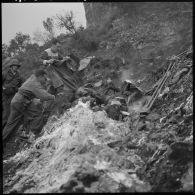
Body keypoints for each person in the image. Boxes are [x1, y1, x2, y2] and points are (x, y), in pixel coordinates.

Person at [3, 69, 56, 144]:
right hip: (21, 101)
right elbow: (44, 96)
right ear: (40, 76)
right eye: (45, 78)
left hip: (16, 100)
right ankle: (33, 135)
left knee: (10, 124)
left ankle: (22, 134)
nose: (45, 81)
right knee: (36, 115)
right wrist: (53, 97)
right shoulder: (35, 83)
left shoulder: (32, 78)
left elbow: (33, 93)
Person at [40, 38, 80, 117]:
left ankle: (60, 108)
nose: (58, 48)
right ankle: (44, 112)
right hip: (49, 77)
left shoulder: (57, 53)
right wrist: (46, 61)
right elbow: (39, 60)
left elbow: (62, 60)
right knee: (50, 94)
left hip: (57, 78)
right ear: (53, 45)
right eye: (57, 46)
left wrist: (66, 59)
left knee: (59, 91)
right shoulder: (46, 52)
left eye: (59, 47)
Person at [2, 59, 23, 128]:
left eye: (17, 66)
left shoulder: (19, 75)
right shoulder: (5, 74)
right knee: (6, 113)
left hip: (14, 95)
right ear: (11, 66)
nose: (16, 67)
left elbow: (21, 84)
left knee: (13, 112)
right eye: (15, 66)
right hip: (5, 96)